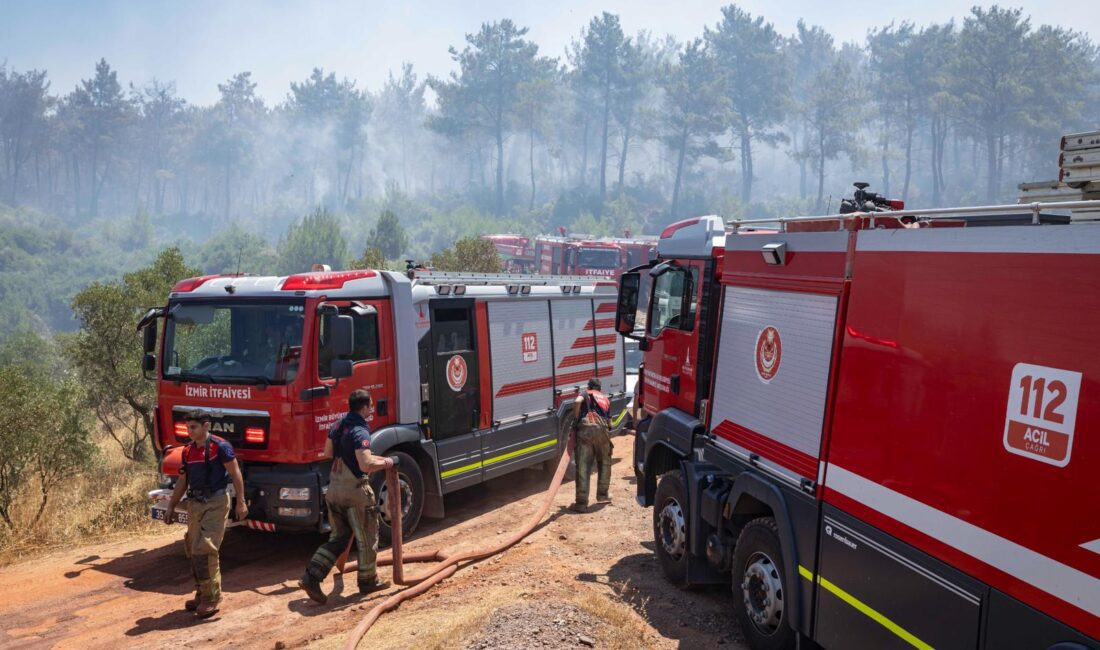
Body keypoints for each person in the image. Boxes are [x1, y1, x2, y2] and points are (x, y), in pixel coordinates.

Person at [299, 389, 395, 603]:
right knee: (367, 536)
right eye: (370, 405)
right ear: (364, 407)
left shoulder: (337, 425)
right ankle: (368, 581)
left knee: (339, 538)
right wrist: (388, 462)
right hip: (355, 492)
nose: (372, 409)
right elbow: (366, 464)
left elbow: (327, 453)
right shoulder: (360, 430)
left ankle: (311, 576)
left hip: (334, 490)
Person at [164, 410, 249, 619]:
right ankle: (202, 593)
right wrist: (171, 506)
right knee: (193, 547)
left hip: (216, 502)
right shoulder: (187, 451)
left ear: (206, 426)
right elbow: (182, 482)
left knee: (205, 547)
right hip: (195, 504)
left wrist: (241, 502)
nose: (189, 431)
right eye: (187, 427)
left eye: (193, 427)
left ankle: (211, 598)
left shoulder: (220, 447)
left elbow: (235, 473)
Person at [570, 378, 613, 513]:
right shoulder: (605, 399)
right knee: (605, 463)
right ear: (600, 388)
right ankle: (602, 495)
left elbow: (577, 402)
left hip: (586, 430)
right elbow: (610, 421)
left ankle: (581, 503)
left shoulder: (585, 393)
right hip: (603, 430)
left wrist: (576, 417)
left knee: (583, 466)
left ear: (589, 387)